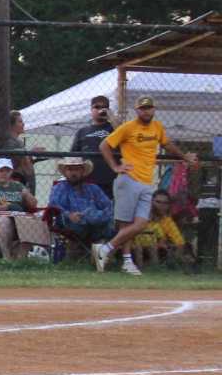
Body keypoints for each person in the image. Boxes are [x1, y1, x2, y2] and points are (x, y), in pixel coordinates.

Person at [94, 95, 201, 276]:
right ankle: (127, 261)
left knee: (141, 223)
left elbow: (167, 144)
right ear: (137, 110)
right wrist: (115, 166)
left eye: (149, 108)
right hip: (128, 179)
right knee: (126, 224)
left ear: (154, 109)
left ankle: (105, 249)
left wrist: (184, 157)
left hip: (146, 182)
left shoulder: (157, 127)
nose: (146, 111)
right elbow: (104, 145)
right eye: (142, 108)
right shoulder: (128, 127)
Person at [47, 155, 113, 261]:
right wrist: (69, 215)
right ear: (65, 172)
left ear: (82, 171)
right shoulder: (59, 188)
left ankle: (100, 254)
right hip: (71, 224)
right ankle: (98, 254)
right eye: (70, 169)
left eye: (77, 169)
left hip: (96, 223)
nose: (73, 173)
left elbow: (107, 205)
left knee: (107, 218)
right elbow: (54, 205)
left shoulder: (93, 188)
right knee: (88, 218)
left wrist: (100, 215)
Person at [131, 191, 192, 270]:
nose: (161, 205)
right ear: (151, 202)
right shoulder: (139, 216)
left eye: (165, 203)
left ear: (169, 205)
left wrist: (172, 254)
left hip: (157, 251)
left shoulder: (167, 221)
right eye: (158, 202)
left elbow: (180, 242)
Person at [69, 95, 116, 194]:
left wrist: (111, 117)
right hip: (87, 180)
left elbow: (125, 134)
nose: (101, 110)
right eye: (97, 107)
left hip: (110, 180)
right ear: (91, 109)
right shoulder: (82, 131)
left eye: (104, 107)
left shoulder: (114, 128)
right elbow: (73, 155)